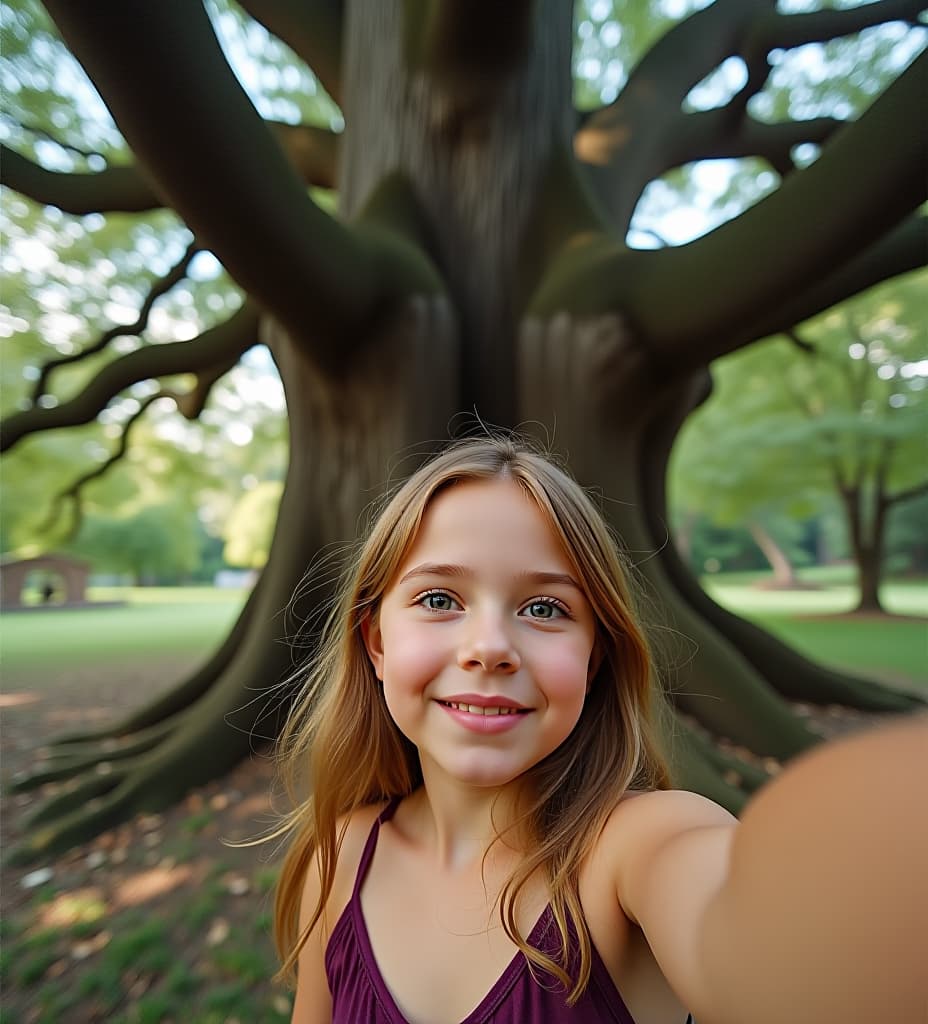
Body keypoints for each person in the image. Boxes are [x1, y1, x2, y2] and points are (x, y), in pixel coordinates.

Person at [272, 435, 926, 1024]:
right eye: (440, 599)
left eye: (544, 607)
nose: (489, 647)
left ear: (593, 660)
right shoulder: (339, 855)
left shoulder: (640, 849)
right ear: (377, 644)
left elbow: (776, 959)